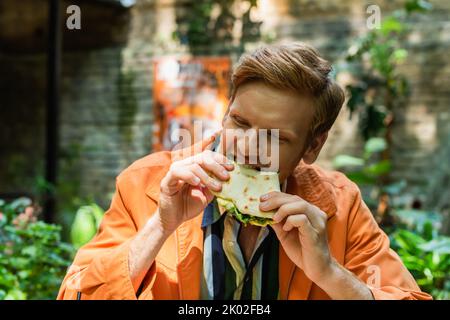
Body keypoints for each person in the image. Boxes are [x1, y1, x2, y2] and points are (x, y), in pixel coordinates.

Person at [57, 43, 431, 300]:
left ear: (313, 146)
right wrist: (160, 226)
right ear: (226, 109)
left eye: (278, 138)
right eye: (240, 122)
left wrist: (331, 274)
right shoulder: (147, 183)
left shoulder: (340, 205)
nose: (249, 148)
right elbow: (75, 293)